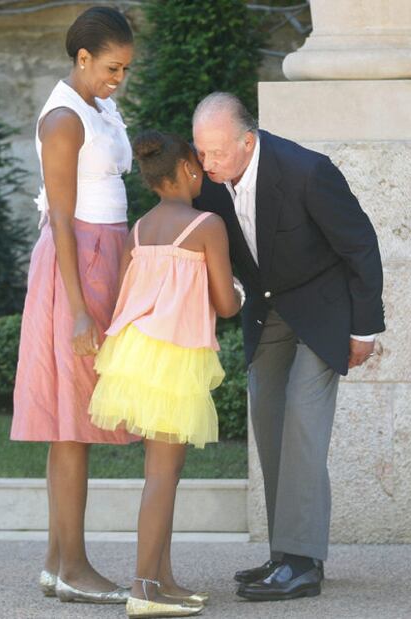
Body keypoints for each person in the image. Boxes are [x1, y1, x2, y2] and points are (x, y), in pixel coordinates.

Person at [192, 92, 385, 602]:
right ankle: (285, 554)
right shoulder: (209, 184)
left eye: (216, 153)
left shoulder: (306, 171)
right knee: (270, 417)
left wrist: (364, 330)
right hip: (268, 308)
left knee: (303, 416)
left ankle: (301, 564)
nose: (207, 164)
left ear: (247, 141)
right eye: (201, 152)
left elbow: (360, 244)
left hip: (324, 309)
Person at [10, 7, 136, 604]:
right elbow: (61, 216)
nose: (119, 79)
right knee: (72, 424)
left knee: (73, 422)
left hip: (102, 255)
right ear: (82, 58)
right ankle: (74, 568)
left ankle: (57, 563)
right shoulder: (63, 117)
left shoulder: (98, 105)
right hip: (76, 263)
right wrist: (81, 308)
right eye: (112, 68)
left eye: (126, 70)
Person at [89, 129, 241, 618]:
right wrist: (238, 289)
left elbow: (126, 294)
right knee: (161, 473)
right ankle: (143, 589)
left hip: (135, 351)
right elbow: (225, 304)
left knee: (167, 472)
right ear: (188, 170)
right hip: (173, 355)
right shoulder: (206, 225)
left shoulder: (139, 228)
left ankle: (165, 579)